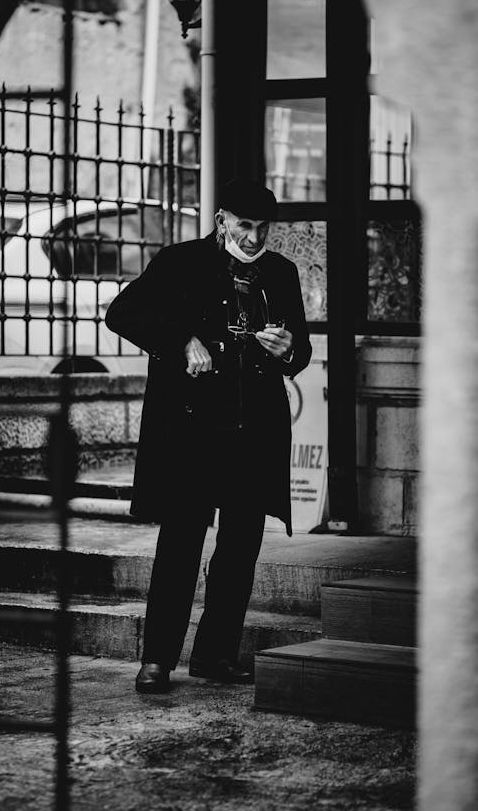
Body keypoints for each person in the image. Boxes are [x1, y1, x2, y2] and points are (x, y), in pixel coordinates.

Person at [105, 178, 312, 693]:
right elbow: (121, 313)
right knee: (180, 546)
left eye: (263, 228)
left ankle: (215, 655)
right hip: (193, 432)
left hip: (253, 434)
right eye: (244, 225)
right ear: (222, 220)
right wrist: (182, 340)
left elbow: (301, 351)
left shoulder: (281, 273)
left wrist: (288, 348)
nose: (253, 236)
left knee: (240, 549)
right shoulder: (180, 261)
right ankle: (157, 660)